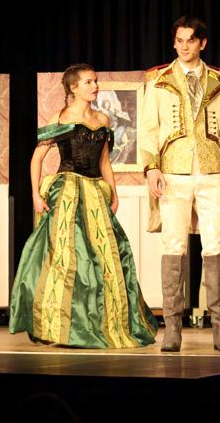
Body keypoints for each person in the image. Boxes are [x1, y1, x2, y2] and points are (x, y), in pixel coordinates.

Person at [9, 63, 158, 348]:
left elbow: (104, 162)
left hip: (94, 192)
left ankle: (98, 324)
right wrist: (35, 195)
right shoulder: (61, 117)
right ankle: (57, 326)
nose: (95, 86)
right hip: (66, 190)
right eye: (89, 82)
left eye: (95, 81)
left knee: (103, 258)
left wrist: (114, 193)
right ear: (73, 88)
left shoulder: (102, 119)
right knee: (65, 258)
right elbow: (37, 158)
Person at [140, 15, 220, 352]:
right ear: (174, 43)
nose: (184, 46)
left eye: (190, 40)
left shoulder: (217, 80)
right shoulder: (158, 81)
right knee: (174, 245)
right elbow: (148, 130)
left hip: (212, 171)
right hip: (173, 171)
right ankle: (172, 327)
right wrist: (151, 168)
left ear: (202, 43)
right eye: (179, 40)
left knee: (216, 246)